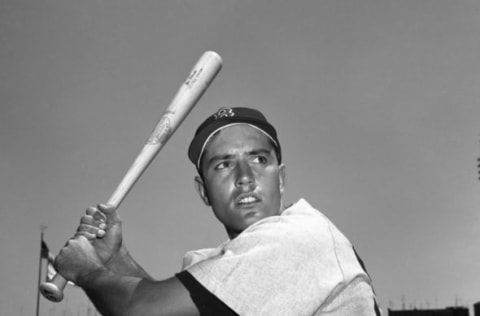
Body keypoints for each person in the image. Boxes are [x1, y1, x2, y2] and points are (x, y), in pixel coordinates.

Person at [55, 107, 382, 315]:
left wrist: (87, 271)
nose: (245, 178)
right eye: (224, 164)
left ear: (281, 179)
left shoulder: (302, 236)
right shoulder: (230, 267)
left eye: (259, 160)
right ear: (203, 191)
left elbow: (145, 311)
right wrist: (114, 258)